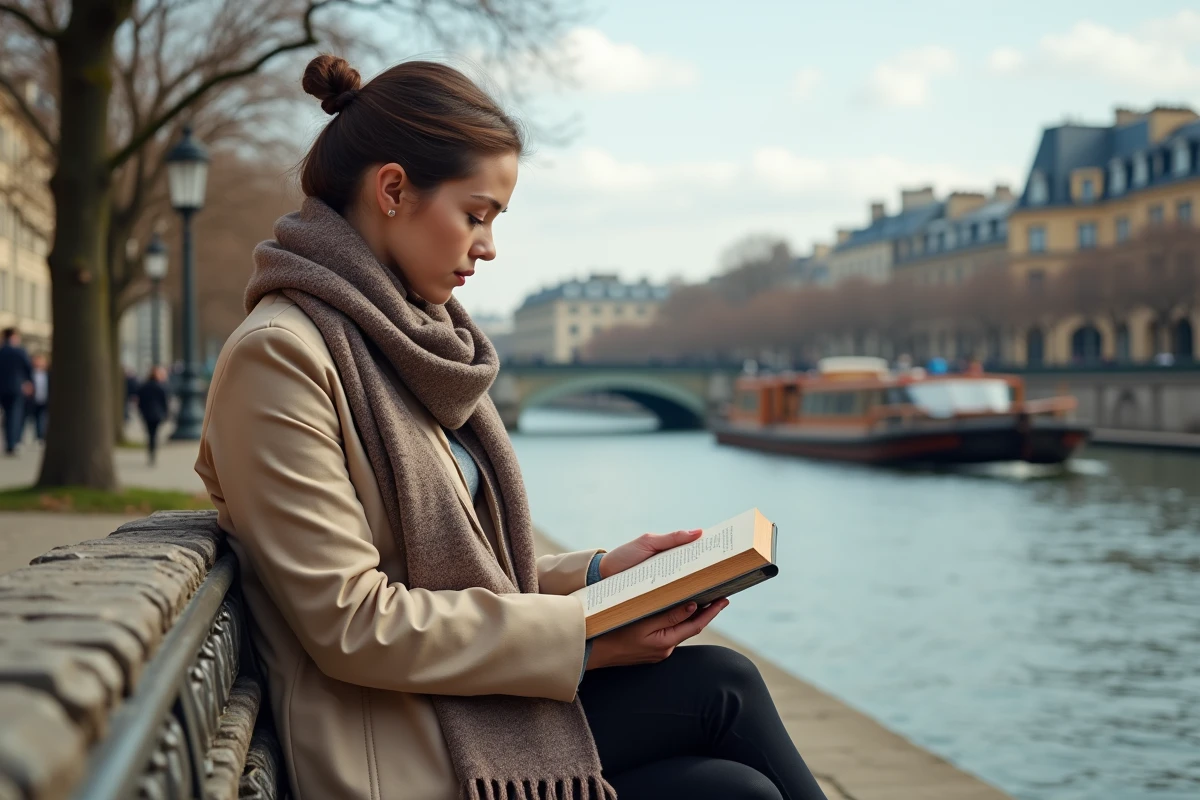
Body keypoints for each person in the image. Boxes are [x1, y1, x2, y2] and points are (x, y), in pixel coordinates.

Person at [194, 56, 827, 800]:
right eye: (477, 214)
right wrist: (584, 636)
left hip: (447, 702)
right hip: (395, 744)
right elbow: (353, 620)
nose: (488, 247)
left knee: (724, 690)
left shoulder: (401, 340)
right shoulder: (282, 357)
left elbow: (458, 562)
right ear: (393, 190)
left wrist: (600, 578)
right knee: (728, 778)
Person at [0, 328, 32, 456]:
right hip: (16, 387)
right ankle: (12, 444)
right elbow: (27, 368)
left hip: (2, 388)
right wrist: (29, 382)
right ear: (14, 336)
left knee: (6, 416)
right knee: (14, 416)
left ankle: (8, 441)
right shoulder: (20, 351)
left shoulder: (1, 351)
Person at [135, 366, 170, 465]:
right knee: (154, 433)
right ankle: (152, 451)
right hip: (157, 414)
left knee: (150, 433)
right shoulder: (161, 387)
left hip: (146, 414)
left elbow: (139, 401)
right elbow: (164, 402)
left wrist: (141, 411)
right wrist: (166, 413)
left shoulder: (143, 386)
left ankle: (151, 449)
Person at [27, 353, 49, 443]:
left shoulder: (48, 374)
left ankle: (40, 436)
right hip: (32, 400)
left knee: (42, 418)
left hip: (44, 398)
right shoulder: (29, 373)